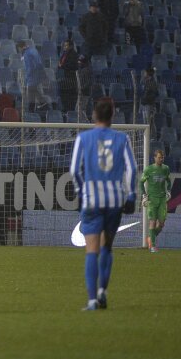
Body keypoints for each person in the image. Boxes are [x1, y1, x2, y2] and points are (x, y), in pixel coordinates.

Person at [70, 99, 137, 311]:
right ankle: (102, 292)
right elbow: (132, 169)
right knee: (107, 246)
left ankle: (91, 301)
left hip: (92, 200)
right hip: (114, 200)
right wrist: (132, 196)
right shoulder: (122, 138)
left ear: (94, 116)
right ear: (112, 116)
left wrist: (81, 192)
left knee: (92, 250)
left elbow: (74, 170)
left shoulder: (84, 138)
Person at [141, 149, 170, 253]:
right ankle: (152, 246)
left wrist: (169, 191)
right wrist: (144, 195)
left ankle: (150, 237)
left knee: (161, 224)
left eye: (162, 157)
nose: (161, 159)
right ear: (154, 158)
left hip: (162, 199)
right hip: (152, 199)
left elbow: (169, 181)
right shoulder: (148, 169)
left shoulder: (166, 168)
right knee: (152, 222)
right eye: (159, 157)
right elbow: (141, 183)